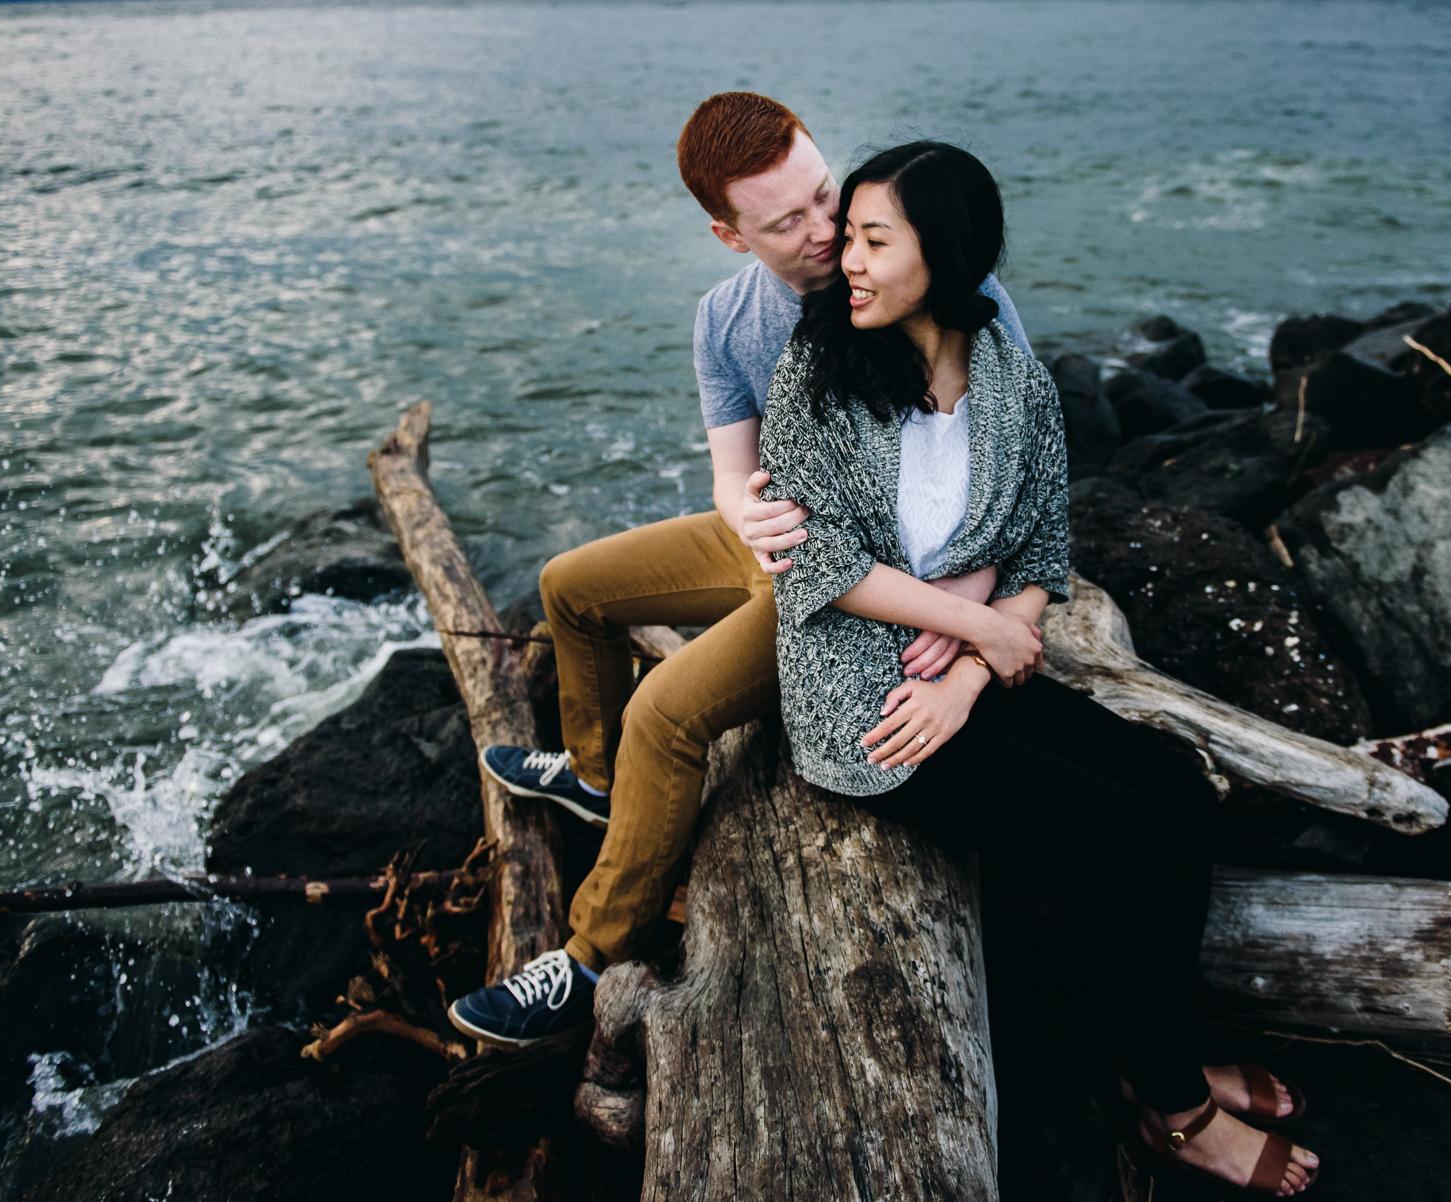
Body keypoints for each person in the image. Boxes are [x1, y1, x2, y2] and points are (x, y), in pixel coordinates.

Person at [757, 140, 1321, 1197]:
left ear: (950, 251)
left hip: (960, 682)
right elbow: (811, 564)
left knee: (1175, 790)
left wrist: (978, 662)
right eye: (854, 239)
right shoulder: (817, 369)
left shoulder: (1009, 370)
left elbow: (1040, 535)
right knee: (1121, 837)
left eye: (878, 240)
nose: (849, 261)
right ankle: (1174, 1108)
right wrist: (974, 629)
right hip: (865, 706)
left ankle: (1160, 1046)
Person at [444, 94, 1030, 1046]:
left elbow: (1021, 452)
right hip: (776, 540)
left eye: (824, 193)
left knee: (665, 713)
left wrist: (965, 600)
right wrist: (744, 516)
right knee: (569, 588)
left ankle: (593, 955)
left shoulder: (931, 276)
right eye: (787, 220)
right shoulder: (726, 320)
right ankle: (596, 784)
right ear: (728, 235)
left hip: (857, 585)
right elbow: (729, 474)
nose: (825, 228)